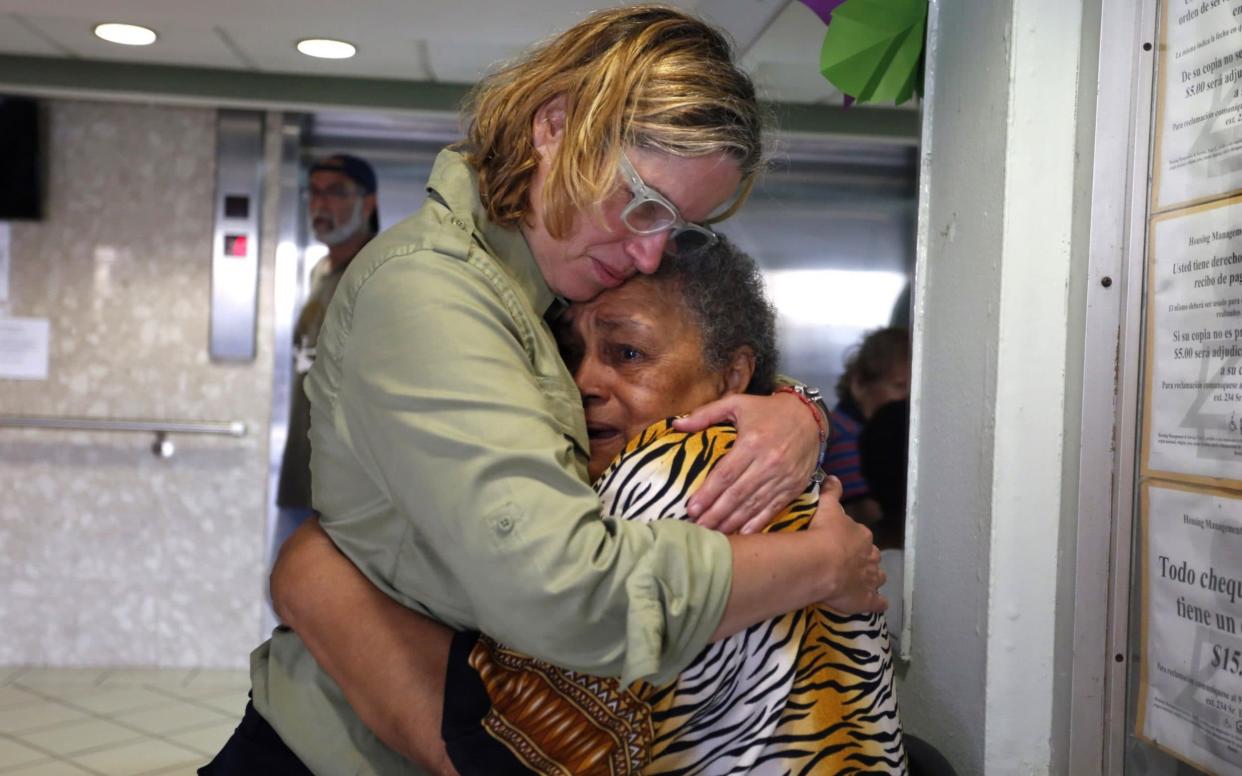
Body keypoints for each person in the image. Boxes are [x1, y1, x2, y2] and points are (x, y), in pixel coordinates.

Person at [204, 7, 884, 774]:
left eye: (680, 225)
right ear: (556, 126)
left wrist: (796, 409)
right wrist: (824, 564)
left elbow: (695, 363)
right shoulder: (431, 293)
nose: (651, 251)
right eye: (642, 202)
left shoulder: (547, 276)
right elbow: (571, 595)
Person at [273, 236, 908, 775]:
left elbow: (518, 747)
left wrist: (314, 580)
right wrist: (802, 406)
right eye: (569, 354)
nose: (583, 384)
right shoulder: (760, 457)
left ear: (733, 375)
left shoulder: (680, 480)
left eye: (627, 353)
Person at [272, 154, 380, 556]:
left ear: (368, 203)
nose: (320, 204)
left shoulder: (378, 274)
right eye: (314, 192)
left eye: (336, 192)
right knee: (285, 604)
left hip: (344, 495)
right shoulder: (323, 275)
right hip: (301, 479)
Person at [824, 327, 912, 526]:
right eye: (899, 386)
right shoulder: (843, 435)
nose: (908, 398)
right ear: (859, 384)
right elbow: (865, 511)